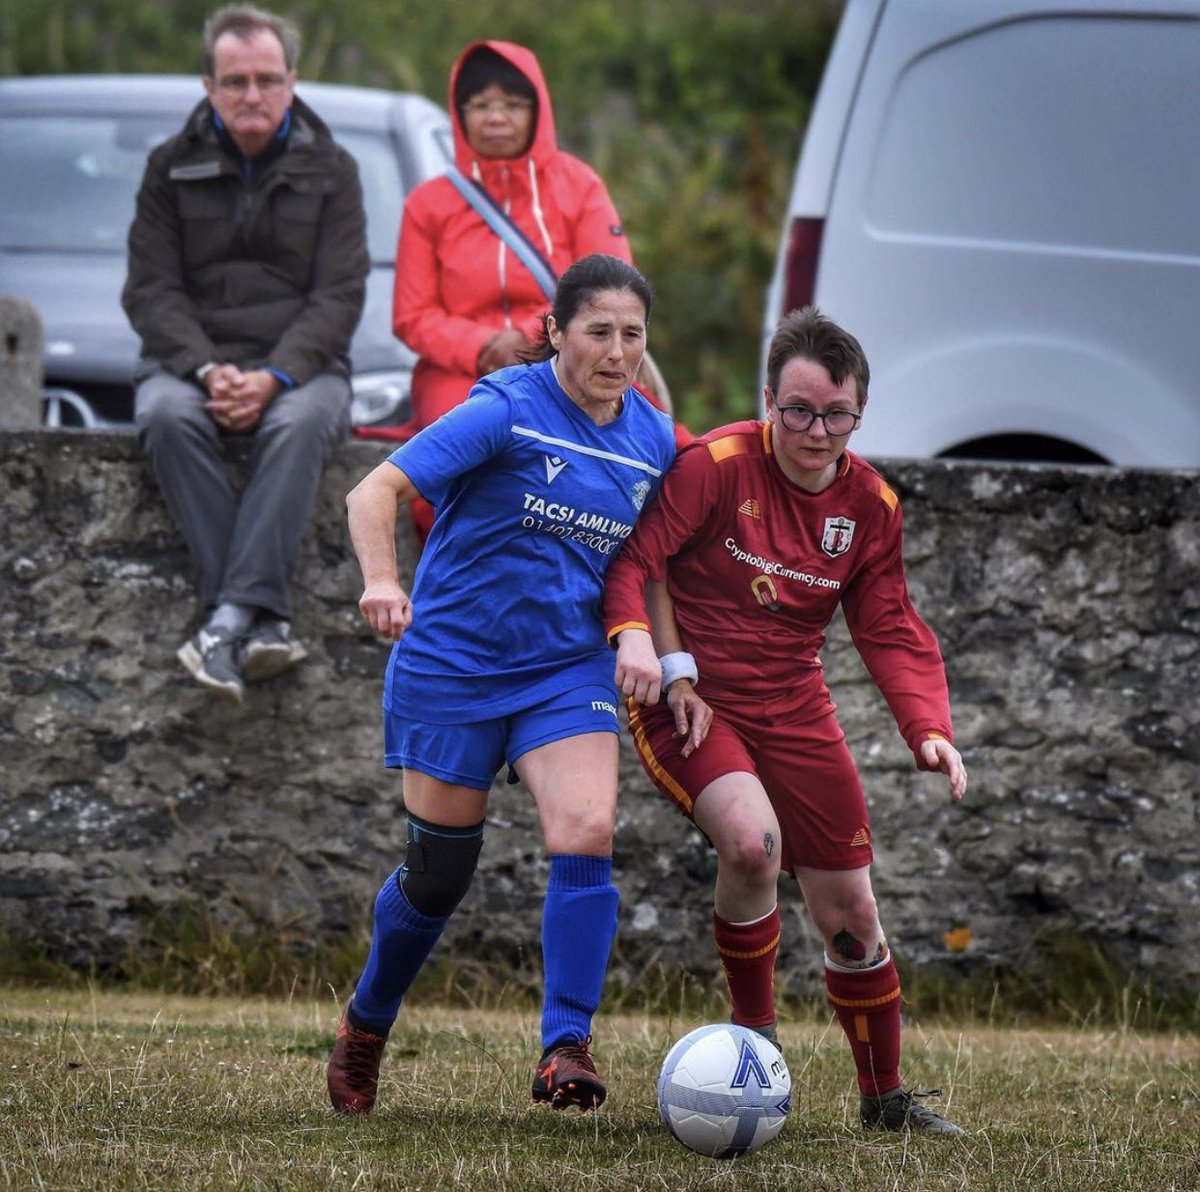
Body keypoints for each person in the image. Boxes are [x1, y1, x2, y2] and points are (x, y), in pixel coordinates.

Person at [603, 306, 969, 1136]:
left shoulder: (871, 504)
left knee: (853, 916)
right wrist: (657, 661)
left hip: (795, 704)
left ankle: (884, 1098)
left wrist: (927, 726)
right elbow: (636, 562)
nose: (816, 430)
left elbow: (888, 624)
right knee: (752, 844)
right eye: (798, 410)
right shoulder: (715, 466)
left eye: (836, 415)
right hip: (689, 700)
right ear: (769, 399)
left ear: (858, 415)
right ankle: (753, 1058)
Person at [327, 254, 676, 1117]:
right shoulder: (506, 407)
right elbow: (374, 491)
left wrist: (673, 663)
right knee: (440, 875)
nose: (617, 351)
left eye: (632, 335)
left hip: (567, 669)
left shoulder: (656, 439)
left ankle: (567, 1045)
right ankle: (368, 1023)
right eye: (598, 331)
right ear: (556, 333)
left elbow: (658, 566)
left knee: (588, 826)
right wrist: (382, 581)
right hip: (454, 661)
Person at [122, 2, 369, 704]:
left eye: (266, 79)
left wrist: (273, 377)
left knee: (298, 425)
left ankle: (224, 619)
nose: (252, 95)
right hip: (188, 366)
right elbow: (150, 290)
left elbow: (340, 295)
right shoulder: (167, 168)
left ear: (293, 82)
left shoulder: (336, 170)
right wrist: (206, 369)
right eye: (236, 82)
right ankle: (262, 621)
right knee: (167, 418)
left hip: (302, 369)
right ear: (209, 86)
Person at [371, 38, 685, 542]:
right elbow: (413, 314)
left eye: (513, 105)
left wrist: (526, 338)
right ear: (460, 113)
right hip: (457, 373)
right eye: (481, 105)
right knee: (447, 473)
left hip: (575, 357)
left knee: (665, 459)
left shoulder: (579, 186)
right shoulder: (429, 204)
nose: (497, 118)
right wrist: (480, 347)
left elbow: (613, 284)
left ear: (537, 110)